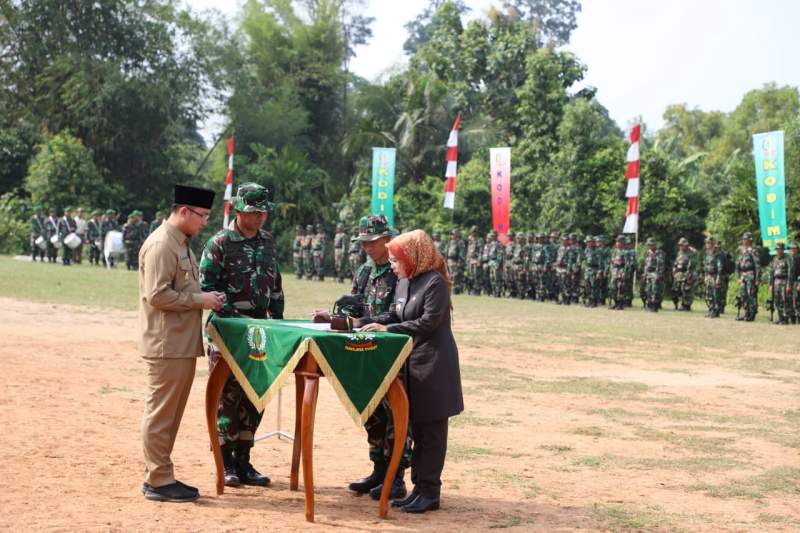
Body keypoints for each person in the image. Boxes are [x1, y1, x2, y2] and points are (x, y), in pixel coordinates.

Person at [361, 229, 464, 514]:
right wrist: (363, 321)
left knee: (431, 431)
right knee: (416, 428)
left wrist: (389, 328)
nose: (392, 265)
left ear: (414, 256)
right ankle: (418, 488)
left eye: (396, 260)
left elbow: (428, 321)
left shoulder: (435, 283)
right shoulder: (406, 282)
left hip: (434, 365)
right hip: (413, 364)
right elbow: (396, 314)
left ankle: (430, 491)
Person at [312, 215, 411, 500]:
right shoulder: (365, 271)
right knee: (371, 409)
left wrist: (360, 321)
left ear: (387, 239)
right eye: (363, 242)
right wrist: (333, 317)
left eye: (372, 242)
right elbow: (355, 307)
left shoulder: (399, 271)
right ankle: (379, 469)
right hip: (365, 352)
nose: (367, 247)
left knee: (395, 414)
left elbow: (397, 314)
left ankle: (396, 477)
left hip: (391, 354)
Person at [139, 184, 224, 503]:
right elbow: (157, 294)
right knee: (161, 413)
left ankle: (160, 475)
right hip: (166, 344)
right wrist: (200, 300)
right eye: (202, 216)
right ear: (184, 211)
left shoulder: (180, 243)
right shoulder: (162, 245)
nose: (204, 222)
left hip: (179, 343)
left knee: (169, 413)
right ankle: (158, 479)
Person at [200, 183, 284, 488]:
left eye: (263, 212)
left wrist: (277, 320)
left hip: (261, 334)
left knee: (254, 395)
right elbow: (207, 288)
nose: (261, 217)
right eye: (254, 212)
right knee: (227, 398)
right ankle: (227, 462)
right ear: (239, 211)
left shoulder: (268, 242)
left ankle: (245, 460)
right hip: (228, 333)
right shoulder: (220, 243)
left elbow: (275, 284)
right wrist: (232, 318)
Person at [735, 232, 760, 322]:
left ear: (750, 240)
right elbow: (738, 264)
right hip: (743, 275)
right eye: (743, 239)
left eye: (746, 239)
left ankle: (752, 314)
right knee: (743, 294)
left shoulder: (753, 250)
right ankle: (746, 312)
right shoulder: (741, 250)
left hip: (750, 274)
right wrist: (738, 277)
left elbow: (757, 266)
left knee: (751, 294)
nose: (744, 241)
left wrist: (757, 278)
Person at [768, 242, 792, 324]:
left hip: (784, 281)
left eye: (780, 249)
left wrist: (789, 284)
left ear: (783, 250)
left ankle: (785, 318)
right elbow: (771, 272)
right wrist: (770, 284)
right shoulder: (775, 259)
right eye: (777, 249)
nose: (779, 251)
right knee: (776, 300)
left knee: (785, 299)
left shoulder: (788, 258)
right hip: (776, 281)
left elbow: (790, 272)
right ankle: (780, 317)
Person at [671, 237, 696, 311]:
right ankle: (677, 305)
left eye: (683, 245)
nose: (681, 246)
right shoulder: (679, 253)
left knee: (686, 290)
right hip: (678, 274)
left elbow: (691, 265)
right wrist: (674, 271)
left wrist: (688, 275)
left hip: (687, 274)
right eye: (680, 245)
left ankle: (686, 305)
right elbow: (676, 263)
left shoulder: (691, 254)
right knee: (675, 290)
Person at [702, 236, 725, 318]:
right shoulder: (707, 254)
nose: (707, 245)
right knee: (709, 294)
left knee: (716, 294)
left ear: (713, 244)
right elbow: (705, 266)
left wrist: (718, 277)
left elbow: (720, 267)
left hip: (715, 276)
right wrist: (705, 276)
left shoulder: (717, 255)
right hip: (708, 275)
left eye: (709, 243)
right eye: (707, 243)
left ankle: (716, 311)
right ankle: (711, 309)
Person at [642, 238, 666, 312]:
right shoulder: (648, 253)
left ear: (654, 245)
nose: (649, 246)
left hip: (655, 273)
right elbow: (646, 264)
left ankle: (654, 306)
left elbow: (661, 265)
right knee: (648, 289)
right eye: (648, 245)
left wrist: (658, 274)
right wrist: (645, 273)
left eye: (650, 245)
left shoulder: (660, 253)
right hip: (649, 273)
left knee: (655, 290)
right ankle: (649, 305)